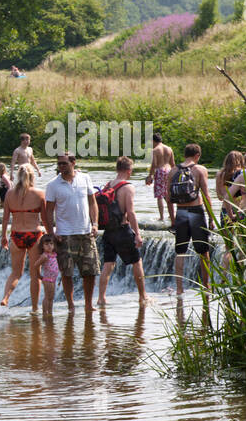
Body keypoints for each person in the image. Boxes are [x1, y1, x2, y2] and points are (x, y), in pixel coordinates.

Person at [44, 152, 99, 313]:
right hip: (64, 234)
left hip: (86, 232)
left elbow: (92, 202)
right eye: (59, 164)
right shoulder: (53, 185)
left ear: (73, 162)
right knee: (67, 272)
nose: (61, 167)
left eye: (64, 163)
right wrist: (51, 232)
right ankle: (71, 304)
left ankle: (89, 304)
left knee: (90, 271)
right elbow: (48, 211)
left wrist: (95, 223)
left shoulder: (85, 179)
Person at [95, 156, 148, 308]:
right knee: (137, 262)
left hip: (108, 231)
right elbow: (130, 213)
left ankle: (101, 298)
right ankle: (143, 296)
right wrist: (137, 234)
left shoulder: (108, 185)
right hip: (122, 230)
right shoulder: (128, 187)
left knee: (108, 264)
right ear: (128, 170)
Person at [170, 143, 216, 296]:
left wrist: (172, 220)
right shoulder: (200, 170)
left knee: (180, 252)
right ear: (197, 156)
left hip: (180, 212)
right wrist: (211, 218)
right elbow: (206, 195)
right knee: (203, 252)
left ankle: (179, 288)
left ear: (184, 155)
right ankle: (206, 285)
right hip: (196, 212)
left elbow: (167, 197)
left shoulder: (172, 171)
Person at [0, 164, 46, 308]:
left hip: (16, 235)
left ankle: (6, 298)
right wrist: (51, 235)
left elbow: (5, 218)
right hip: (34, 235)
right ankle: (35, 307)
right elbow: (45, 219)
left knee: (16, 273)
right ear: (32, 176)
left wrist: (3, 236)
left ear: (18, 176)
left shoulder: (10, 194)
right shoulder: (39, 193)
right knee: (35, 274)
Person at [145, 131, 175, 225]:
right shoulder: (169, 149)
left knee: (159, 196)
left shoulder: (155, 150)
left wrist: (150, 176)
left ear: (153, 141)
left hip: (160, 171)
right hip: (169, 170)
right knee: (168, 193)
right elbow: (173, 164)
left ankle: (161, 217)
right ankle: (172, 215)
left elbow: (154, 164)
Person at [215, 151, 245, 228]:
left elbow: (220, 197)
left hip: (225, 210)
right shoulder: (243, 174)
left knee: (227, 238)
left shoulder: (219, 174)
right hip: (239, 210)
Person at [34, 234, 59, 315]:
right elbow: (36, 265)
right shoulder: (44, 256)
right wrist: (38, 275)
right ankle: (45, 312)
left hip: (53, 279)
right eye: (46, 244)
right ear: (42, 246)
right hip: (47, 279)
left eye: (51, 244)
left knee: (51, 297)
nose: (49, 246)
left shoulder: (54, 254)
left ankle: (50, 312)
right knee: (47, 297)